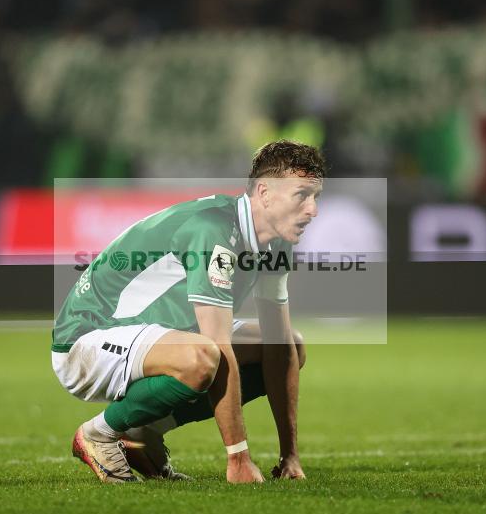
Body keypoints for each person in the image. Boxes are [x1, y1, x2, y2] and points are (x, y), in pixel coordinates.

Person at [51, 140, 325, 483]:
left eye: (316, 196)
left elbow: (278, 341)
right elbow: (218, 346)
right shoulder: (214, 230)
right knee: (206, 356)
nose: (313, 210)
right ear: (265, 193)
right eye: (302, 195)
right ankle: (99, 433)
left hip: (154, 334)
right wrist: (238, 459)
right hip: (87, 338)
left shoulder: (276, 242)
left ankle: (141, 431)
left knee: (287, 346)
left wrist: (290, 456)